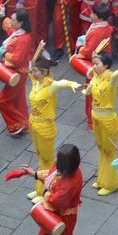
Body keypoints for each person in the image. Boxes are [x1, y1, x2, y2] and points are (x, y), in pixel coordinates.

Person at [27, 54, 82, 203]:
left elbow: (62, 83)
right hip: (34, 124)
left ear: (44, 72)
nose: (33, 73)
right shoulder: (35, 82)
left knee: (48, 160)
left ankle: (47, 190)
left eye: (36, 71)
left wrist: (72, 84)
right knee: (40, 157)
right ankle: (39, 189)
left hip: (45, 126)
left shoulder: (50, 86)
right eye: (33, 71)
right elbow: (29, 65)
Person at [36, 144, 84, 235]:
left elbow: (55, 200)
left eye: (58, 158)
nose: (55, 159)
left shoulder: (69, 184)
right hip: (56, 212)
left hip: (65, 216)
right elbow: (51, 174)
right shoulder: (68, 172)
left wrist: (45, 193)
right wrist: (34, 174)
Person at [87, 51, 118, 196]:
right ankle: (102, 179)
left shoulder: (110, 78)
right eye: (94, 63)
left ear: (106, 65)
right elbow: (87, 92)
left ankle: (111, 184)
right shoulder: (96, 78)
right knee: (101, 150)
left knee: (109, 151)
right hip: (96, 118)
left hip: (108, 121)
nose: (94, 66)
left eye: (97, 64)